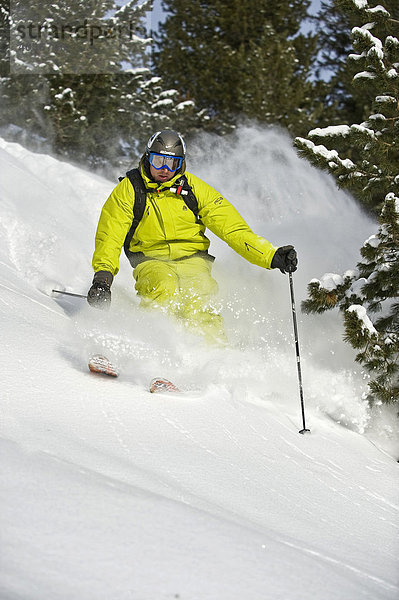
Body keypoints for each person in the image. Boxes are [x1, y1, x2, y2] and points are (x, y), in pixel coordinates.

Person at [88, 129, 297, 344]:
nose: (164, 170)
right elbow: (110, 234)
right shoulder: (130, 189)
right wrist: (103, 279)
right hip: (150, 259)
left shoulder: (193, 189)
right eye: (158, 161)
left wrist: (270, 256)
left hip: (193, 260)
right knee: (163, 288)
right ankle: (157, 348)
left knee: (200, 297)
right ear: (147, 157)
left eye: (172, 163)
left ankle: (214, 356)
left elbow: (232, 228)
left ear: (181, 164)